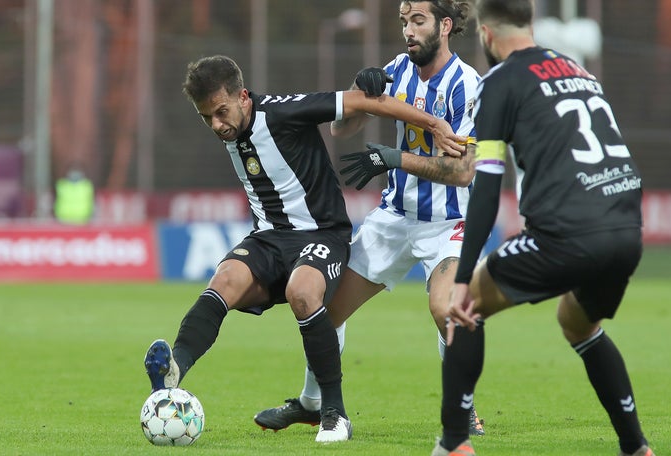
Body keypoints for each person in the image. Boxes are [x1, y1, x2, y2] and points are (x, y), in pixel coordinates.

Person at [143, 55, 468, 444]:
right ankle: (174, 369)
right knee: (224, 279)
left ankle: (334, 413)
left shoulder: (283, 112)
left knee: (304, 292)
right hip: (268, 238)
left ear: (243, 97)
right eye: (206, 118)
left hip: (322, 235)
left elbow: (361, 102)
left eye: (221, 112)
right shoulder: (232, 127)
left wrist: (433, 123)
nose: (216, 125)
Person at [253, 0, 487, 437]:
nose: (408, 31)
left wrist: (396, 158)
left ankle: (462, 406)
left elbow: (463, 172)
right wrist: (360, 94)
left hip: (449, 223)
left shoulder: (468, 86)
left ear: (446, 26)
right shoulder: (396, 69)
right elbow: (342, 130)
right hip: (394, 218)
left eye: (418, 21)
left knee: (445, 308)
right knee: (322, 308)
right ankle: (313, 403)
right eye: (404, 22)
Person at [432, 1, 654, 455]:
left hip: (567, 234)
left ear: (487, 36)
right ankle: (636, 447)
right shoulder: (573, 67)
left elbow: (488, 185)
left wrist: (460, 277)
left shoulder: (499, 82)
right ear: (531, 24)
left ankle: (454, 445)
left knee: (466, 305)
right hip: (627, 228)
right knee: (578, 321)